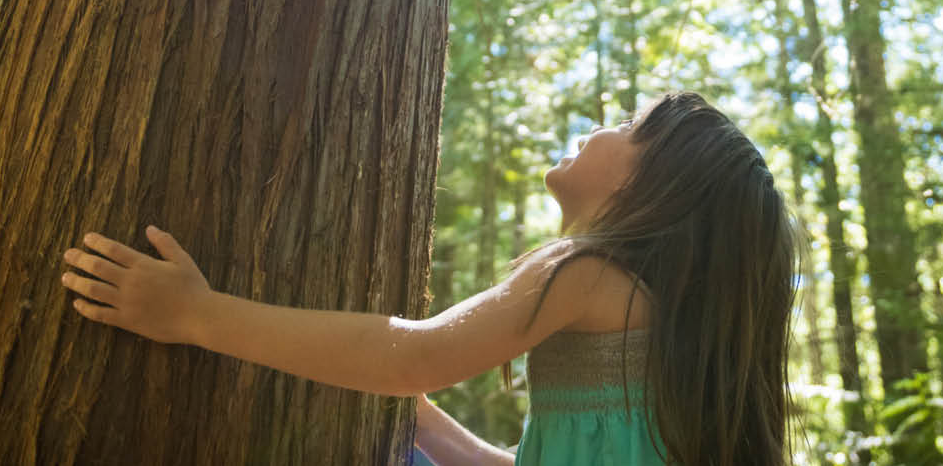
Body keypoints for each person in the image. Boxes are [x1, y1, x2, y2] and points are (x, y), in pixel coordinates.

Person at [59, 91, 798, 465]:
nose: (605, 123)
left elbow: (412, 353)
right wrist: (426, 426)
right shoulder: (655, 348)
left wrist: (197, 314)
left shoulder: (585, 272)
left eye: (632, 125)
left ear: (654, 187)